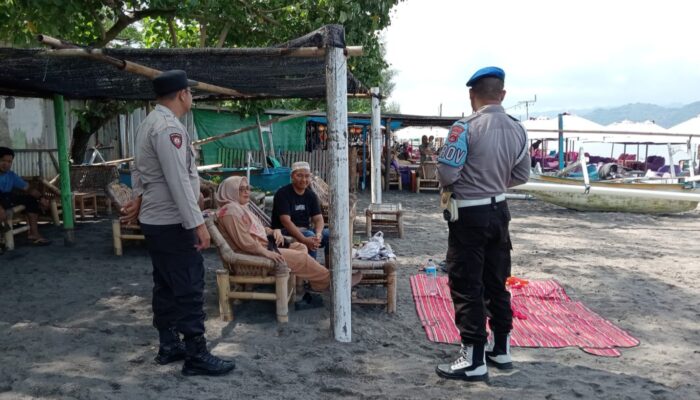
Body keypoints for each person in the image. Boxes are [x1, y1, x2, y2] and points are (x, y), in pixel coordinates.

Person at [120, 70, 235, 377]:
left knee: (167, 284)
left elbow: (141, 172)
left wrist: (139, 198)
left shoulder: (148, 123)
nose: (192, 97)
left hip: (157, 220)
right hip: (173, 221)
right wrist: (196, 222)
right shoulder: (169, 127)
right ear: (183, 94)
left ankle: (169, 344)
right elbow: (178, 180)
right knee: (188, 284)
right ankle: (196, 354)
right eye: (191, 93)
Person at [434, 66, 530, 382]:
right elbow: (522, 175)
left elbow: (447, 173)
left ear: (472, 95)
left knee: (466, 284)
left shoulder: (464, 128)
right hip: (500, 212)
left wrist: (472, 183)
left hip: (469, 215)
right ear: (502, 94)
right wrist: (494, 183)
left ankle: (474, 358)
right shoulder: (519, 129)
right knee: (496, 282)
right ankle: (501, 348)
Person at [214, 176, 362, 307]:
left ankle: (317, 283)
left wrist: (274, 231)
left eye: (247, 188)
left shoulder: (240, 208)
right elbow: (244, 243)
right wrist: (266, 252)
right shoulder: (230, 212)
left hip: (264, 246)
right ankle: (335, 283)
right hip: (252, 257)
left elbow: (259, 230)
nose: (247, 191)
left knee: (300, 247)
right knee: (301, 257)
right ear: (230, 191)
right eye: (241, 189)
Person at [271, 161, 328, 260]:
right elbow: (286, 222)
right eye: (299, 176)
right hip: (284, 232)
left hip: (306, 230)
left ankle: (331, 271)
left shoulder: (311, 195)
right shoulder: (282, 194)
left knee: (329, 234)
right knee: (310, 236)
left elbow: (318, 219)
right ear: (292, 176)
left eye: (307, 176)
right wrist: (305, 239)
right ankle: (311, 273)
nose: (304, 179)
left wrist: (318, 234)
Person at [0, 146, 51, 247]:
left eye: (9, 162)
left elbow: (29, 189)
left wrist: (41, 198)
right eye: (2, 160)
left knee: (31, 200)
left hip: (7, 198)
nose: (6, 164)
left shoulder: (11, 175)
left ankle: (34, 233)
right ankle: (2, 236)